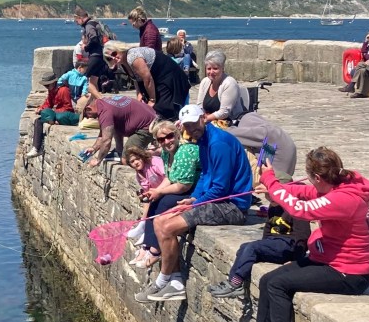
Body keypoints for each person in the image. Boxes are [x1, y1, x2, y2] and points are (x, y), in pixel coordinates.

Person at [230, 148, 369, 322]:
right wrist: (274, 188)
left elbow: (302, 209)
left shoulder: (343, 199)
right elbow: (303, 192)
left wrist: (271, 181)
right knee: (268, 279)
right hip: (328, 261)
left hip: (350, 274)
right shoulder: (335, 187)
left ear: (317, 177)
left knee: (279, 285)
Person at [139, 105, 253, 302]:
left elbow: (221, 188)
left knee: (168, 227)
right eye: (187, 126)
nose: (192, 129)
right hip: (216, 200)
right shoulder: (203, 140)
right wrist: (193, 198)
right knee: (159, 220)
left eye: (194, 124)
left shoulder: (218, 143)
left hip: (233, 206)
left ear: (203, 118)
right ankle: (175, 281)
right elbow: (204, 177)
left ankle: (163, 280)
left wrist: (195, 204)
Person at [130, 121, 200, 268]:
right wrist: (155, 192)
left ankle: (155, 250)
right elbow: (169, 177)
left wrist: (159, 191)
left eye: (169, 136)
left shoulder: (185, 152)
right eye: (161, 139)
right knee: (154, 202)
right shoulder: (166, 153)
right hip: (180, 187)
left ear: (177, 134)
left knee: (163, 203)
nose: (166, 141)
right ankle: (147, 246)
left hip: (194, 190)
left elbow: (183, 186)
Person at [107, 44, 190, 122]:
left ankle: (172, 126)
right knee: (146, 106)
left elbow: (148, 78)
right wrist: (139, 93)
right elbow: (135, 77)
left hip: (167, 75)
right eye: (109, 58)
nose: (113, 58)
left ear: (119, 49)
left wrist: (152, 100)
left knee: (162, 107)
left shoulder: (132, 56)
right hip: (154, 78)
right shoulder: (121, 64)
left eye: (114, 53)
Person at [83, 95, 156, 168]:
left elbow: (106, 141)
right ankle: (119, 151)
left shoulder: (105, 111)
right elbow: (104, 133)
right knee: (113, 126)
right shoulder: (102, 103)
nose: (88, 118)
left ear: (88, 108)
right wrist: (94, 148)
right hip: (149, 117)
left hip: (147, 127)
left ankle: (153, 157)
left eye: (86, 115)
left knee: (127, 160)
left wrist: (98, 160)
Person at [26, 72, 77, 159]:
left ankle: (36, 148)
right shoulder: (52, 91)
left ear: (53, 83)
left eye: (47, 85)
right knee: (38, 120)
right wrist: (40, 109)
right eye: (45, 86)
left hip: (65, 115)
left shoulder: (63, 90)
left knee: (50, 116)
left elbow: (68, 107)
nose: (46, 87)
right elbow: (48, 103)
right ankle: (36, 148)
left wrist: (54, 113)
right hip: (57, 114)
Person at [77, 7, 122, 101]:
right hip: (102, 55)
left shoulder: (89, 25)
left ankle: (102, 100)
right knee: (94, 81)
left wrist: (85, 47)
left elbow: (94, 39)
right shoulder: (95, 22)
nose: (77, 23)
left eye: (76, 21)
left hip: (95, 55)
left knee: (86, 81)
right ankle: (96, 104)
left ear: (80, 18)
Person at [196, 51, 247, 125]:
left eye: (215, 68)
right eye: (209, 69)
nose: (211, 72)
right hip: (209, 121)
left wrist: (206, 119)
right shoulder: (204, 82)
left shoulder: (229, 83)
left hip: (229, 122)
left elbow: (224, 112)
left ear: (222, 68)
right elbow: (199, 106)